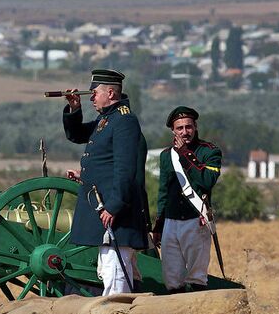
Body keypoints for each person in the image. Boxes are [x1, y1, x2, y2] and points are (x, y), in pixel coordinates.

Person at [63, 69, 150, 295]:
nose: (91, 97)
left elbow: (125, 168)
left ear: (110, 92)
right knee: (109, 270)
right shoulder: (108, 119)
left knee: (115, 275)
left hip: (117, 214)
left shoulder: (124, 120)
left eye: (94, 93)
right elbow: (77, 135)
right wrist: (74, 109)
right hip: (107, 208)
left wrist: (114, 205)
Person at [152, 106, 222, 294]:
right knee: (172, 278)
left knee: (197, 277)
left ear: (195, 127)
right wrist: (158, 225)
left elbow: (207, 181)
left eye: (188, 127)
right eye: (180, 128)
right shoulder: (167, 155)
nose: (185, 132)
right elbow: (164, 191)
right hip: (171, 221)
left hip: (195, 219)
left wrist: (186, 154)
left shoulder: (210, 151)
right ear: (173, 131)